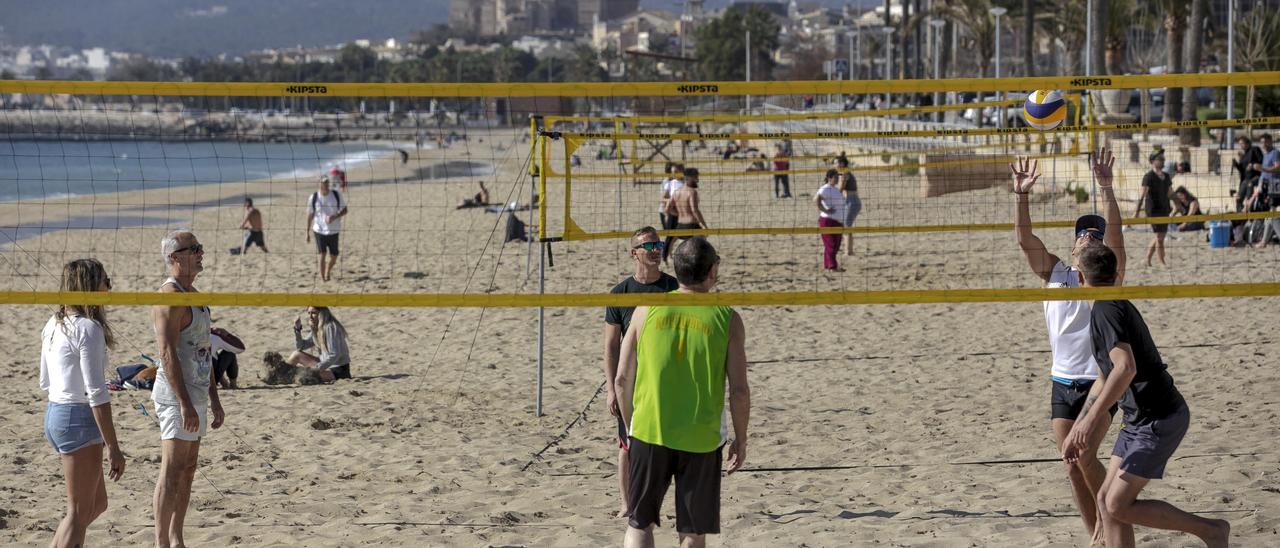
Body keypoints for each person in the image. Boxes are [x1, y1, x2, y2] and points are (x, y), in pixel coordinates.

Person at [1065, 245, 1231, 548]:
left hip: (1160, 417)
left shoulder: (1105, 309)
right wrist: (1081, 423)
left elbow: (1125, 368)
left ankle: (1211, 530)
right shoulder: (1106, 304)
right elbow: (1105, 376)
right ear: (1115, 275)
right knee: (1104, 499)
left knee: (1117, 504)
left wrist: (1088, 426)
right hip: (1138, 418)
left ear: (1078, 278)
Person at [1011, 149, 1126, 544]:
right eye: (1082, 231)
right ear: (1074, 241)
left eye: (1095, 233)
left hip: (1098, 382)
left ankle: (1110, 517)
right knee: (1070, 464)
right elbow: (1024, 239)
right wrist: (1021, 196)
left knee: (1085, 456)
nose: (1088, 236)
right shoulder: (1055, 271)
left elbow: (1118, 238)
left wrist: (1107, 188)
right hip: (1062, 381)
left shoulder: (1107, 275)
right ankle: (1095, 529)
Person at [615, 236, 750, 548]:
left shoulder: (644, 310)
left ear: (675, 268)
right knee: (692, 533)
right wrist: (741, 440)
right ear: (713, 271)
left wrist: (632, 426)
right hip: (701, 437)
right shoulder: (727, 318)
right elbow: (739, 391)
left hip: (650, 429)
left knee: (639, 524)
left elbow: (622, 379)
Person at [41, 258, 126, 548]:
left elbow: (45, 380)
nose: (109, 286)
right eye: (106, 280)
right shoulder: (88, 328)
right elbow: (96, 393)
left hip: (55, 414)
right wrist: (113, 447)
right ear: (89, 286)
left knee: (96, 504)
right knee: (78, 513)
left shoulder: (53, 323)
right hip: (77, 417)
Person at [152, 230, 224, 548]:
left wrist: (214, 398)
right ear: (174, 258)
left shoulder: (194, 293)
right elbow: (167, 353)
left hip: (197, 393)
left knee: (189, 469)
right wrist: (183, 402)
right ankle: (160, 542)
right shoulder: (170, 297)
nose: (200, 253)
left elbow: (204, 349)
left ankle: (176, 536)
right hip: (175, 395)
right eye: (193, 248)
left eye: (200, 247)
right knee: (172, 469)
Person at [602, 227, 679, 519]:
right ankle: (627, 503)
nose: (657, 249)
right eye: (649, 245)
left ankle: (656, 502)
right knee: (628, 444)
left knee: (667, 444)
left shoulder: (674, 287)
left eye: (658, 244)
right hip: (631, 380)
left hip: (666, 378)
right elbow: (610, 346)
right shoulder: (620, 294)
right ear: (634, 253)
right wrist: (611, 388)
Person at [286, 306, 352, 383]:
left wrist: (317, 368)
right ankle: (281, 375)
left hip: (338, 371)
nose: (310, 316)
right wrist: (297, 329)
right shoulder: (317, 328)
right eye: (309, 313)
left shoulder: (330, 327)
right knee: (296, 354)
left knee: (303, 376)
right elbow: (301, 346)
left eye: (313, 313)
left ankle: (286, 377)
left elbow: (335, 354)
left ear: (322, 313)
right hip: (324, 365)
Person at [306, 174, 347, 282]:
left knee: (334, 256)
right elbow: (310, 215)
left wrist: (335, 216)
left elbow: (345, 210)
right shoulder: (313, 197)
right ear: (319, 184)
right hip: (319, 230)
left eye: (327, 182)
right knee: (322, 254)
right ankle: (323, 277)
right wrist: (307, 232)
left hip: (334, 230)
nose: (325, 184)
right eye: (323, 182)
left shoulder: (336, 194)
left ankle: (328, 270)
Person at [1135, 151, 1173, 267]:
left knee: (1159, 236)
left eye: (1163, 158)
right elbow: (1142, 195)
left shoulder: (1166, 176)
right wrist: (1136, 213)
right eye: (1159, 158)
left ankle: (1147, 259)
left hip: (1165, 209)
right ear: (1152, 161)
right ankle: (1162, 262)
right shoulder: (1148, 177)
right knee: (1159, 237)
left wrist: (1179, 206)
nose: (1162, 160)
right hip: (1153, 211)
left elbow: (1171, 193)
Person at [663, 168, 707, 263]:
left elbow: (667, 209)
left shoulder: (676, 192)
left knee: (684, 250)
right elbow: (694, 210)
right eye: (696, 177)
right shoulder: (692, 192)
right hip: (692, 224)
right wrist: (703, 224)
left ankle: (669, 258)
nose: (697, 179)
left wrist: (679, 213)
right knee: (701, 249)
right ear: (690, 178)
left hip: (680, 224)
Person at [814, 169, 847, 271]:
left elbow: (838, 194)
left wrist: (844, 181)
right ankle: (832, 267)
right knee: (831, 245)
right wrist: (825, 209)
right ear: (829, 178)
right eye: (835, 177)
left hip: (837, 221)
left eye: (838, 177)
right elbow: (816, 199)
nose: (837, 179)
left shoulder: (834, 189)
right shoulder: (825, 188)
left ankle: (827, 265)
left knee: (835, 245)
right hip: (827, 221)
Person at [1251, 134, 1280, 248]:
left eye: (1266, 142)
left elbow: (1278, 167)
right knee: (1270, 214)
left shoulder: (1275, 153)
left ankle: (1264, 241)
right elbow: (1265, 174)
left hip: (1276, 187)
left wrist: (1262, 168)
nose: (1263, 144)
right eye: (1262, 142)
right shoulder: (1266, 155)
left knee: (1272, 215)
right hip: (1268, 187)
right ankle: (1264, 241)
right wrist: (1258, 187)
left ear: (1270, 141)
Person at [837, 158, 861, 257]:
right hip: (851, 201)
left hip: (852, 201)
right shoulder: (844, 173)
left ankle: (848, 251)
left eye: (835, 163)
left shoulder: (845, 174)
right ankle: (848, 250)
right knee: (846, 226)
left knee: (846, 226)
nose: (834, 165)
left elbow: (840, 189)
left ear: (842, 163)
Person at [659, 163, 684, 231]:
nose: (673, 174)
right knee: (670, 235)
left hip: (677, 211)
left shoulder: (681, 181)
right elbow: (662, 199)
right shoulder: (666, 182)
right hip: (665, 211)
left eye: (675, 171)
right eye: (672, 172)